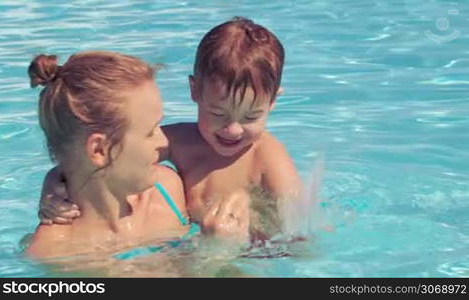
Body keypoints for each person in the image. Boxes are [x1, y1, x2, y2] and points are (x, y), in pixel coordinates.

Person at [39, 17, 302, 242]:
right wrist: (54, 186)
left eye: (251, 116)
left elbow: (301, 232)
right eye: (218, 113)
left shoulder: (268, 159)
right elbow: (104, 158)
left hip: (253, 253)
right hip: (193, 247)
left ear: (273, 102)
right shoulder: (180, 141)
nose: (233, 129)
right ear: (195, 90)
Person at [26, 51, 190, 259]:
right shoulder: (54, 253)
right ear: (99, 150)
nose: (165, 142)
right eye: (150, 132)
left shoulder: (166, 191)